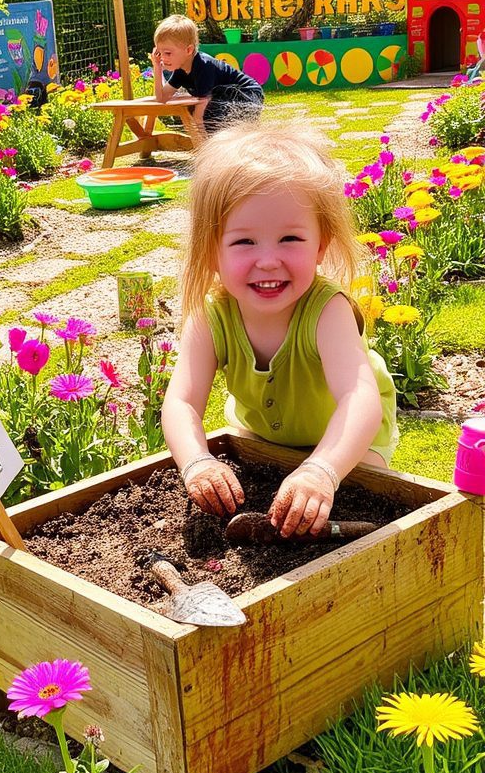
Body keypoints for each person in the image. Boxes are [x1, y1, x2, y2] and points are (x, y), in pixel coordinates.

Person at [161, 123, 398, 538]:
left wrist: (323, 470)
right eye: (244, 242)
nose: (268, 261)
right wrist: (197, 462)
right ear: (211, 249)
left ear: (320, 245)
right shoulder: (213, 313)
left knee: (362, 500)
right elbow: (181, 402)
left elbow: (359, 401)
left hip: (346, 437)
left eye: (290, 238)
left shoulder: (327, 309)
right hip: (259, 433)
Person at [150, 14, 263, 135]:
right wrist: (157, 67)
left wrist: (201, 146)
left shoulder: (203, 66)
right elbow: (161, 98)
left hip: (248, 93)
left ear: (188, 50)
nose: (162, 57)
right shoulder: (181, 71)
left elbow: (198, 118)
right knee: (194, 112)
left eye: (167, 53)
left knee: (207, 115)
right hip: (224, 96)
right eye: (159, 52)